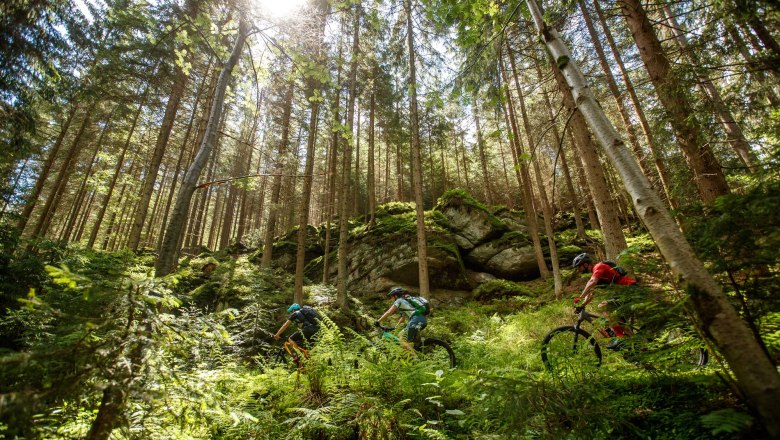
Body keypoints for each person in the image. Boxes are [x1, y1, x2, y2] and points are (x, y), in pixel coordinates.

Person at [571, 253, 637, 349]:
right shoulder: (596, 274)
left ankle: (620, 338)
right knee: (624, 327)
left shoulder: (599, 267)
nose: (578, 270)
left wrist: (580, 297)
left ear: (585, 264)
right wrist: (581, 305)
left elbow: (592, 282)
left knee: (603, 306)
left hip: (629, 289)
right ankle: (641, 349)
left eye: (578, 267)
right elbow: (591, 293)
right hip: (622, 292)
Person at [375, 287, 427, 352]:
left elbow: (389, 312)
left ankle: (415, 359)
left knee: (402, 339)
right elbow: (402, 318)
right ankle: (418, 351)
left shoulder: (399, 301)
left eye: (391, 297)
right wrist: (395, 328)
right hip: (423, 320)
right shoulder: (405, 303)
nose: (391, 299)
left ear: (395, 296)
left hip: (416, 320)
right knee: (409, 341)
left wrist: (378, 321)